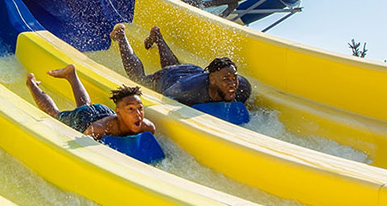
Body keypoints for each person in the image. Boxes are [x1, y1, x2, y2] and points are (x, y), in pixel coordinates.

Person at [110, 24, 251, 106]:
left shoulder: (242, 88)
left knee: (175, 66)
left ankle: (158, 38)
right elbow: (165, 100)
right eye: (226, 79)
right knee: (139, 79)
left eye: (234, 78)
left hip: (192, 70)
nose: (233, 83)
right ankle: (121, 35)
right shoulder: (187, 90)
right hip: (168, 79)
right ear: (212, 79)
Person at [25, 64, 154, 140]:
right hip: (85, 120)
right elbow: (83, 139)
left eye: (140, 108)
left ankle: (71, 75)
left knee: (85, 106)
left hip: (103, 112)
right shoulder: (98, 129)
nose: (138, 114)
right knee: (55, 114)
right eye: (131, 109)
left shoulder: (147, 127)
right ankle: (30, 82)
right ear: (119, 112)